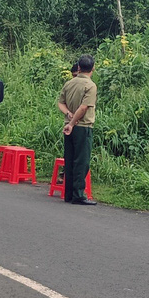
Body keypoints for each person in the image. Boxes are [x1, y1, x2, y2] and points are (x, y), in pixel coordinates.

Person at [57, 55, 98, 205]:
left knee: (70, 159)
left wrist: (68, 115)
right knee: (81, 161)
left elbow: (61, 104)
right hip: (82, 127)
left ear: (79, 67)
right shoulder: (90, 86)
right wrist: (73, 123)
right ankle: (78, 194)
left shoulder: (69, 83)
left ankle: (68, 194)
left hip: (68, 125)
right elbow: (84, 107)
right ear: (93, 68)